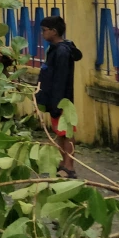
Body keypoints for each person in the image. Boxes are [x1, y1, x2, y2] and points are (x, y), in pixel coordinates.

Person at [36, 15, 82, 178]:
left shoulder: (62, 51)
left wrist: (57, 103)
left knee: (67, 133)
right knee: (61, 133)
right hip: (56, 99)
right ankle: (63, 163)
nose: (42, 34)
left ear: (54, 32)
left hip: (62, 100)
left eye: (44, 31)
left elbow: (61, 79)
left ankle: (69, 166)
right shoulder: (55, 49)